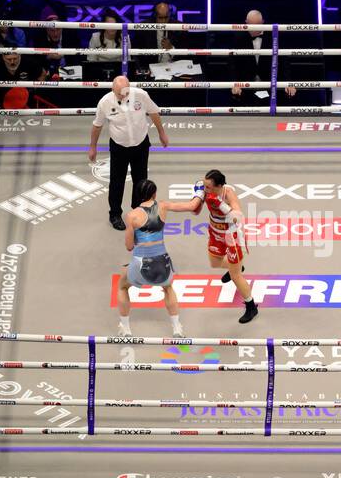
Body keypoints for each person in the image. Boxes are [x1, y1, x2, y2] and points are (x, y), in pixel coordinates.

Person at [87, 76, 169, 231]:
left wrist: (161, 133)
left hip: (140, 143)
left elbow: (154, 113)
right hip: (119, 146)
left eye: (126, 92)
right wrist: (93, 146)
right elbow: (97, 125)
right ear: (113, 90)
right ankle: (115, 214)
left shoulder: (141, 95)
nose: (124, 96)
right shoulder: (105, 102)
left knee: (141, 180)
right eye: (120, 93)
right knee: (117, 181)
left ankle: (139, 210)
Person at [116, 179, 193, 338]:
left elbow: (129, 246)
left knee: (122, 286)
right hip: (162, 263)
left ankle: (125, 329)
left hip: (140, 265)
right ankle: (177, 328)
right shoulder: (163, 206)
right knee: (168, 288)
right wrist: (201, 193)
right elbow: (191, 206)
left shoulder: (131, 216)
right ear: (154, 193)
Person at [185, 170, 259, 324]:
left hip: (232, 236)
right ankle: (237, 267)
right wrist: (198, 195)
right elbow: (195, 211)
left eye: (208, 187)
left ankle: (251, 306)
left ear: (219, 186)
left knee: (235, 276)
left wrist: (221, 205)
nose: (206, 189)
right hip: (215, 232)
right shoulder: (205, 190)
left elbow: (238, 217)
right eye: (204, 186)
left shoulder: (228, 193)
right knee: (215, 263)